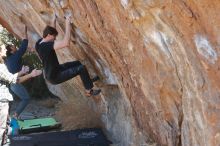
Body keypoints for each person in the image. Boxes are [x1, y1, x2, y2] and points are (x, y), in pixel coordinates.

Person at [35, 14, 101, 97]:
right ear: (48, 36)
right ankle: (89, 91)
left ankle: (88, 81)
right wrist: (67, 23)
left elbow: (51, 31)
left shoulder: (39, 43)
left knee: (78, 63)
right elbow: (66, 43)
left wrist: (53, 20)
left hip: (57, 69)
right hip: (55, 77)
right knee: (81, 68)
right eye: (54, 37)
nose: (54, 39)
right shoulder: (46, 46)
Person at [5, 26, 32, 119]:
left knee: (9, 102)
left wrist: (23, 70)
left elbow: (15, 68)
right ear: (11, 51)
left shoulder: (9, 59)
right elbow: (24, 46)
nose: (15, 46)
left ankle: (8, 119)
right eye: (13, 46)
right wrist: (24, 29)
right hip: (15, 83)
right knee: (26, 98)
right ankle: (15, 116)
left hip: (12, 83)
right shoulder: (15, 56)